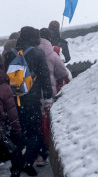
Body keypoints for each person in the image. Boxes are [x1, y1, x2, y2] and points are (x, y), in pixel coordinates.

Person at [10, 26, 52, 177]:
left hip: (14, 100)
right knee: (34, 133)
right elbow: (45, 76)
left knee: (18, 133)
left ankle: (16, 165)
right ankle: (26, 162)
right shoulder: (38, 53)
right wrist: (48, 95)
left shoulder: (10, 54)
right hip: (31, 100)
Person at [36, 28, 70, 167]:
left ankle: (39, 154)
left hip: (33, 94)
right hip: (49, 92)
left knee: (36, 123)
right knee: (48, 121)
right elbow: (63, 73)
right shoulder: (53, 53)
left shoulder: (31, 52)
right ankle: (48, 147)